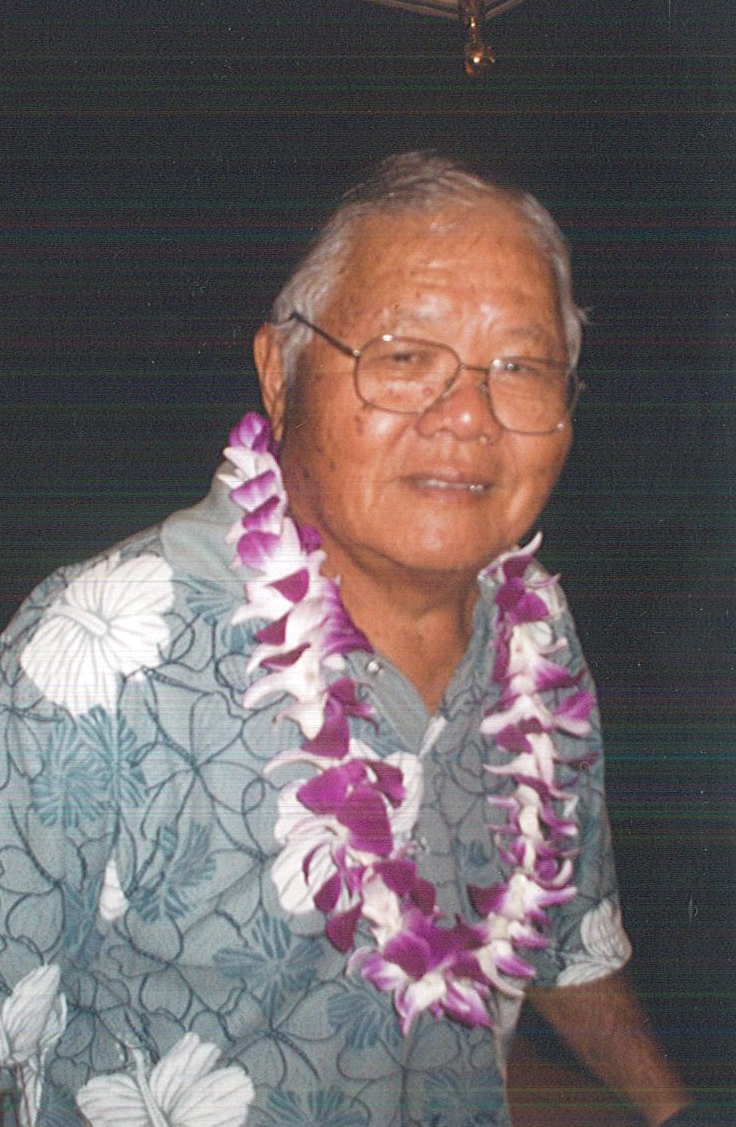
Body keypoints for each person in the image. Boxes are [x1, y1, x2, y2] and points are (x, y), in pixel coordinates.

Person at [0, 152, 719, 1127]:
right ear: (279, 374)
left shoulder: (537, 637)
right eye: (404, 357)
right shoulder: (103, 663)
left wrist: (676, 1110)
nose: (466, 416)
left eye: (520, 367)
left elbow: (562, 936)